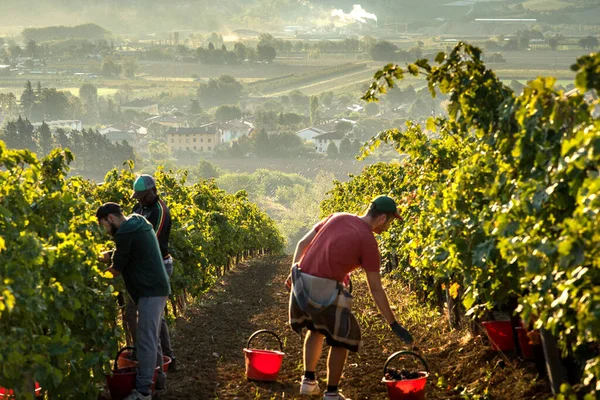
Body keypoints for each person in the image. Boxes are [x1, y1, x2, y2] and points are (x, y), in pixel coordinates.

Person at [287, 195, 414, 400]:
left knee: (315, 328)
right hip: (324, 286)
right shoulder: (369, 242)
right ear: (382, 218)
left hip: (301, 282)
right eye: (390, 222)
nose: (388, 227)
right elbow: (376, 289)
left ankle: (308, 382)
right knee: (343, 338)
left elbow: (302, 243)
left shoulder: (337, 216)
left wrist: (293, 272)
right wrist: (393, 324)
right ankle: (331, 393)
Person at [97, 202, 171, 400]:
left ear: (111, 218)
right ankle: (159, 380)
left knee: (146, 339)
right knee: (151, 337)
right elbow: (133, 251)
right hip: (155, 288)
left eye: (104, 224)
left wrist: (93, 280)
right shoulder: (137, 221)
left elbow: (116, 269)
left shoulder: (125, 233)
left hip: (150, 291)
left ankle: (143, 391)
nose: (105, 230)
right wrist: (111, 255)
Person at [123, 174, 177, 371]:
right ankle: (160, 358)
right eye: (138, 197)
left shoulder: (160, 211)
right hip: (141, 266)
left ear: (153, 191)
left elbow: (150, 241)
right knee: (150, 315)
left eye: (144, 196)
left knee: (151, 315)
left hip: (158, 265)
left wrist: (123, 254)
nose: (140, 200)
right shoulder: (138, 208)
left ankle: (154, 361)